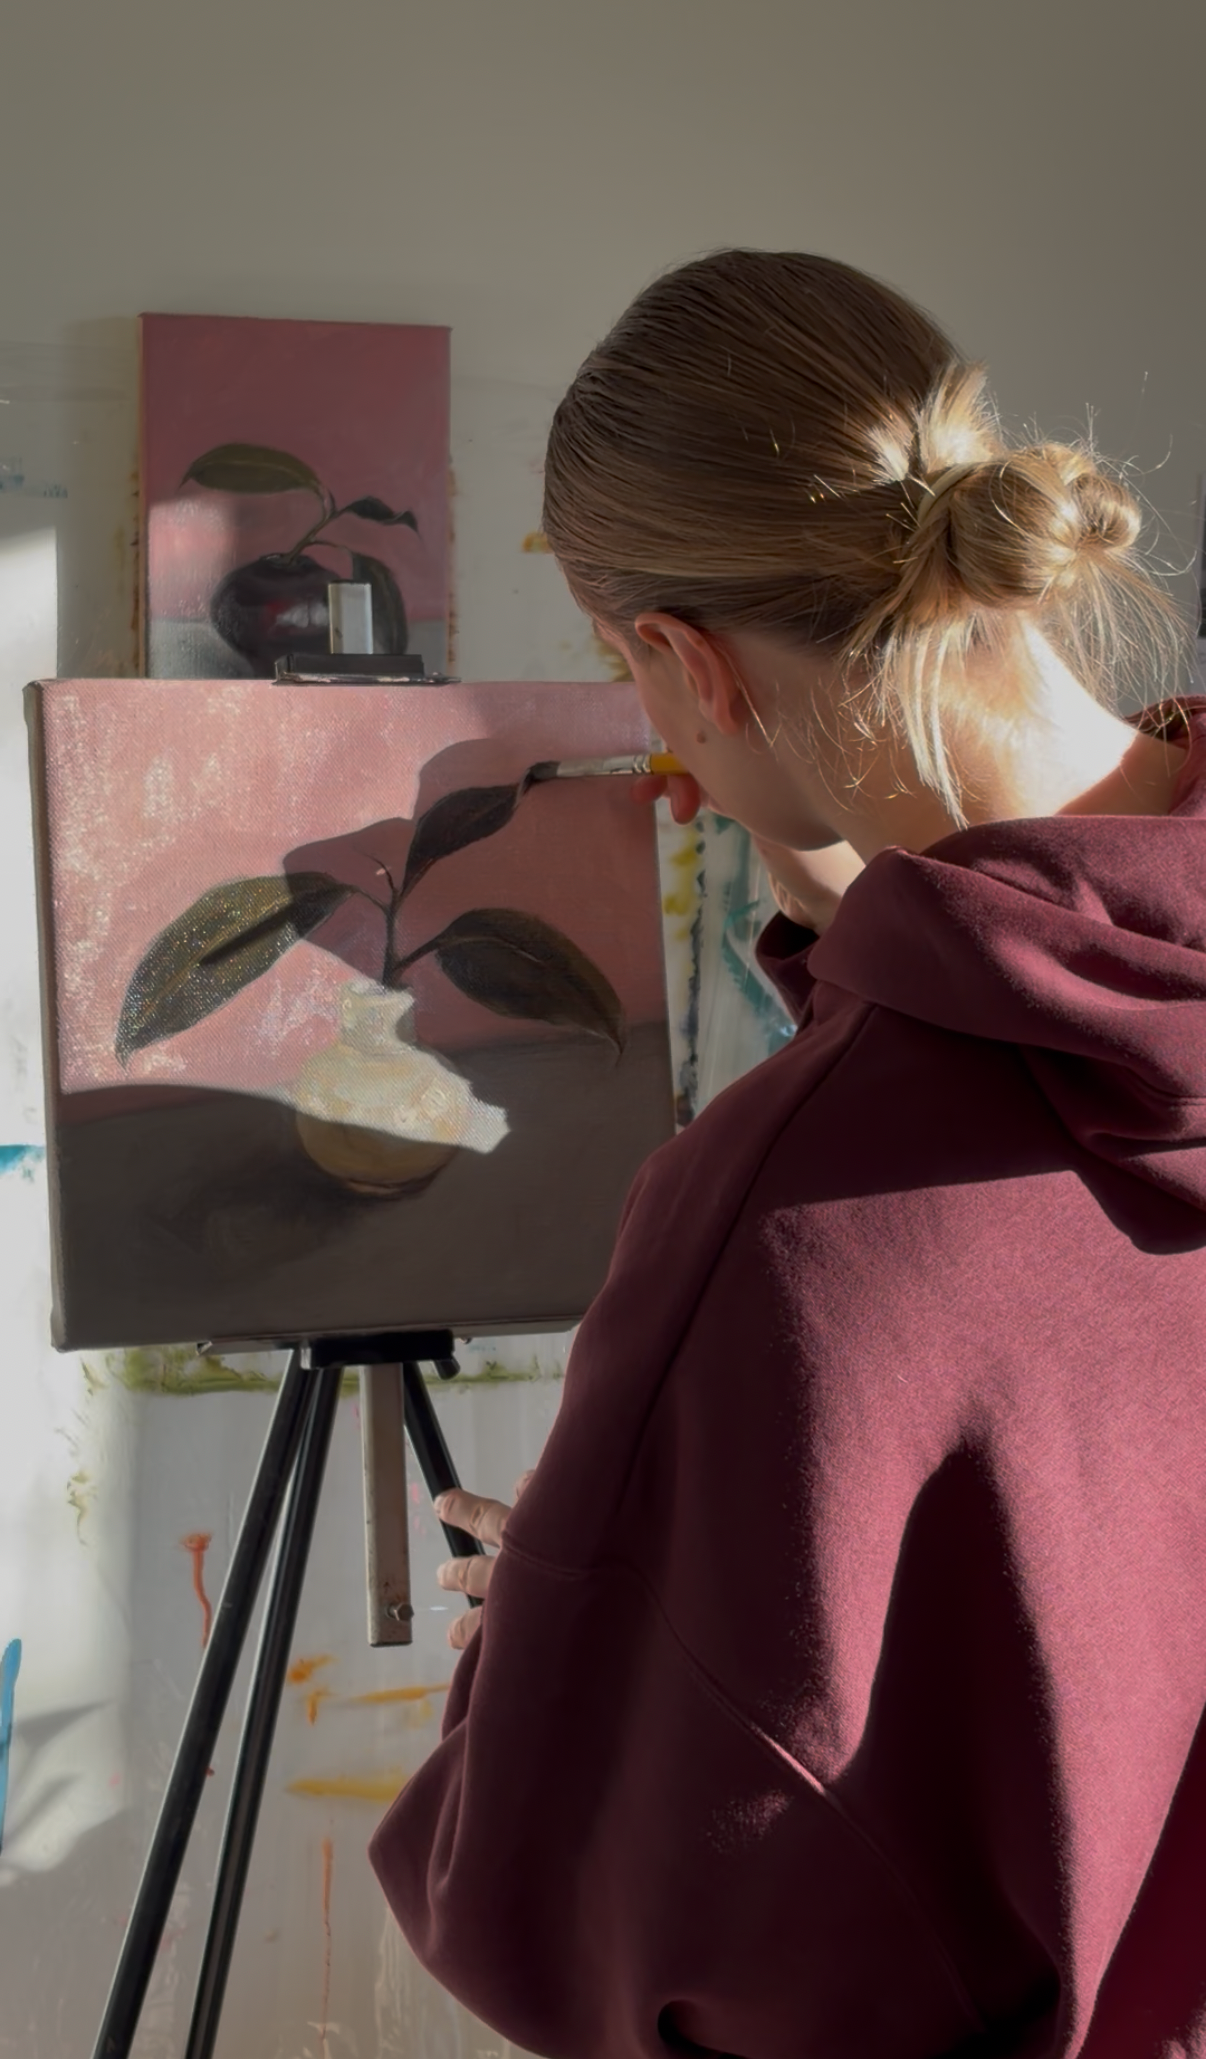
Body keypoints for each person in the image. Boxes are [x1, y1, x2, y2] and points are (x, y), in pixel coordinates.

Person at [370, 249, 1206, 2059]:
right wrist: (867, 940)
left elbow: (626, 1932)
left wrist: (573, 1625)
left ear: (681, 661)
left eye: (635, 673)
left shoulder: (792, 1206)